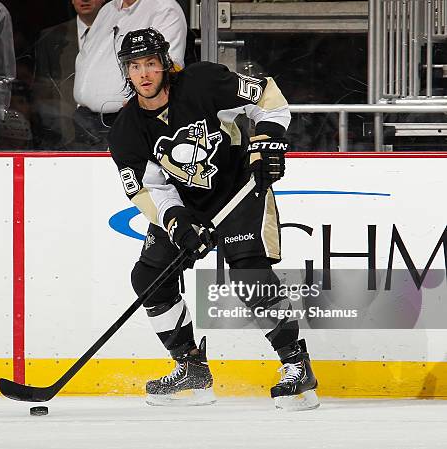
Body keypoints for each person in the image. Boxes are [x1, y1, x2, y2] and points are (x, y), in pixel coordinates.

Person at [108, 28, 320, 411]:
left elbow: (268, 97)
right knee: (149, 278)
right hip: (186, 204)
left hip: (239, 189)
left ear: (165, 64)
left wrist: (267, 141)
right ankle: (191, 368)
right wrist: (178, 224)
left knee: (250, 275)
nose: (144, 74)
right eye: (135, 66)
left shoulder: (203, 82)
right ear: (126, 71)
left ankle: (296, 367)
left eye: (151, 64)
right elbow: (148, 189)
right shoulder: (126, 130)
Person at [73, 0, 187, 149]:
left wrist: (134, 115)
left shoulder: (163, 8)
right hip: (85, 122)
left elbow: (169, 67)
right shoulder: (108, 9)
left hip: (123, 121)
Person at [33, 0, 105, 149]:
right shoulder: (50, 38)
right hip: (63, 140)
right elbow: (43, 94)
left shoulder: (120, 33)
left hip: (109, 137)